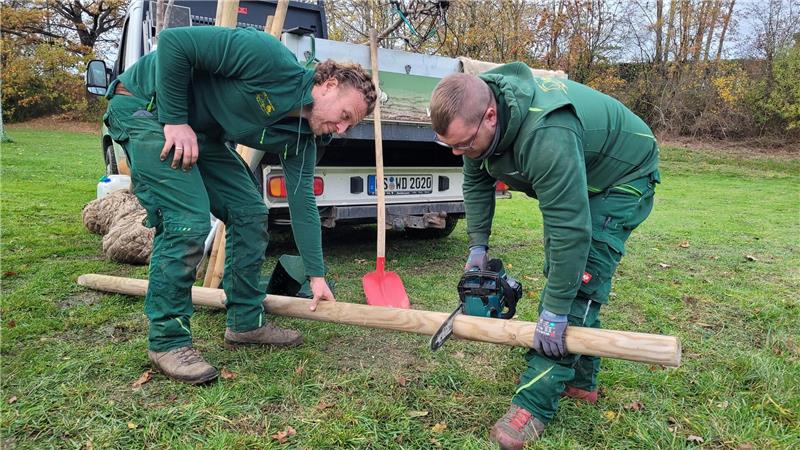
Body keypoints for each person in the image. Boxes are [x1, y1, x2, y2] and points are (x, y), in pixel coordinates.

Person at [103, 25, 376, 384]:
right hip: (147, 108)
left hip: (204, 134)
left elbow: (302, 201)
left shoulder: (302, 137)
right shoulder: (267, 57)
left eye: (350, 126)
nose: (341, 130)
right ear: (328, 86)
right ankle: (167, 342)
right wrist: (175, 120)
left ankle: (245, 323)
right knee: (188, 218)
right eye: (344, 116)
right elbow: (175, 43)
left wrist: (316, 273)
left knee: (250, 212)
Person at [429, 63, 660, 449]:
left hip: (622, 176)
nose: (458, 152)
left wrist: (554, 310)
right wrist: (477, 247)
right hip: (578, 168)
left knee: (580, 279)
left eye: (464, 144)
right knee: (562, 269)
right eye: (449, 145)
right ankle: (580, 382)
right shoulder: (477, 118)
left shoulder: (546, 132)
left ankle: (533, 405)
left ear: (490, 116)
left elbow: (571, 229)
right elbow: (475, 180)